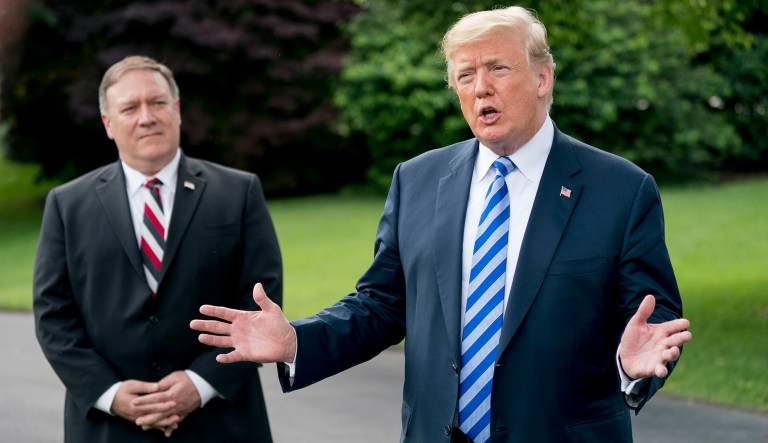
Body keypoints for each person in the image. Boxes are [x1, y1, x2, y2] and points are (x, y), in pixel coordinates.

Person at [191, 6, 692, 443]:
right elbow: (382, 305)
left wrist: (630, 368)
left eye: (498, 68)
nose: (481, 89)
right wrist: (300, 341)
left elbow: (651, 320)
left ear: (543, 79)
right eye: (465, 75)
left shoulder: (620, 189)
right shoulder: (418, 180)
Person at [33, 55, 282, 442]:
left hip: (220, 423)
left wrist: (200, 384)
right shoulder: (67, 206)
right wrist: (112, 395)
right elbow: (53, 314)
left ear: (177, 110)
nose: (146, 117)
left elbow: (259, 302)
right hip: (108, 428)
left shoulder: (238, 192)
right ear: (108, 124)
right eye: (130, 108)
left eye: (158, 102)